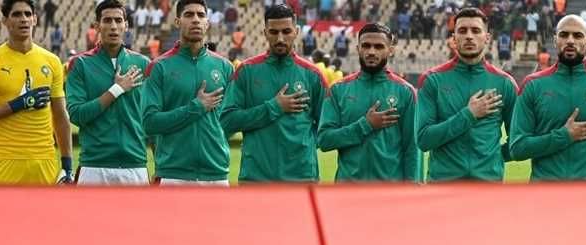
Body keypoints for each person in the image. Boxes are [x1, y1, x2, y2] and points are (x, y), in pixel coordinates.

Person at [509, 14, 586, 181]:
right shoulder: (532, 85)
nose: (570, 40)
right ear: (555, 40)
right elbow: (517, 148)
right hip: (544, 192)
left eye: (578, 35)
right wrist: (564, 136)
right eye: (564, 35)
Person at [0, 0, 73, 185]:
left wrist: (67, 166)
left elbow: (60, 115)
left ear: (35, 19)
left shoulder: (52, 61)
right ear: (5, 21)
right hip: (6, 162)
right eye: (16, 14)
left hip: (45, 162)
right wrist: (19, 104)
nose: (23, 19)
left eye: (27, 14)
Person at [221, 3, 327, 182]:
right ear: (265, 32)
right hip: (256, 179)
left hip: (301, 178)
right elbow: (227, 122)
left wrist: (303, 146)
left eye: (286, 31)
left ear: (296, 31)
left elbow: (326, 127)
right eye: (274, 32)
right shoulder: (246, 71)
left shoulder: (312, 75)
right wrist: (273, 107)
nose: (280, 38)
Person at [416, 6, 518, 182]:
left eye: (476, 31)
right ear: (454, 38)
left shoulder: (505, 83)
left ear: (487, 38)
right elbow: (424, 140)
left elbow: (520, 141)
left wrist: (493, 157)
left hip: (488, 187)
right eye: (462, 31)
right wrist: (469, 115)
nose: (469, 36)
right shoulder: (432, 80)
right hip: (443, 186)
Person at [142, 0, 233, 185]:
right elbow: (149, 123)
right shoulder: (159, 67)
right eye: (189, 15)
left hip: (216, 174)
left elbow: (230, 120)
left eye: (201, 15)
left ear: (207, 23)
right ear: (177, 21)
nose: (196, 20)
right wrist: (196, 107)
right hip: (173, 175)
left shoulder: (225, 67)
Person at [317, 22, 419, 182]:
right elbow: (324, 140)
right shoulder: (338, 90)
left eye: (379, 47)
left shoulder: (405, 92)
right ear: (358, 48)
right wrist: (365, 125)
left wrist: (412, 185)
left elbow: (411, 148)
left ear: (390, 50)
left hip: (389, 190)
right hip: (348, 189)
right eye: (366, 46)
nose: (371, 51)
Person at [66, 0, 150, 185]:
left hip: (135, 165)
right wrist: (116, 89)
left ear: (126, 25)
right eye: (107, 20)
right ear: (97, 25)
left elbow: (151, 118)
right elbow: (77, 115)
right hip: (94, 166)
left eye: (118, 20)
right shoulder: (80, 64)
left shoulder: (143, 64)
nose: (113, 26)